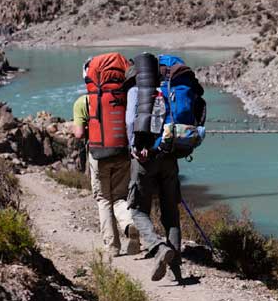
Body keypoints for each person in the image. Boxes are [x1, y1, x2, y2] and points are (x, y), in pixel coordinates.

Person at [126, 54, 205, 282]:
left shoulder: (139, 90)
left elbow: (132, 121)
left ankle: (158, 248)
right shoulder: (173, 89)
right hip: (170, 153)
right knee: (170, 214)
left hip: (145, 156)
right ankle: (176, 272)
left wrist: (135, 146)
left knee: (138, 209)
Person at [73, 54, 140, 257]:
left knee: (103, 199)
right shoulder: (122, 96)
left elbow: (78, 134)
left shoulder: (82, 102)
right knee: (120, 197)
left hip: (98, 154)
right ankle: (129, 224)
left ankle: (112, 247)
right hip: (122, 150)